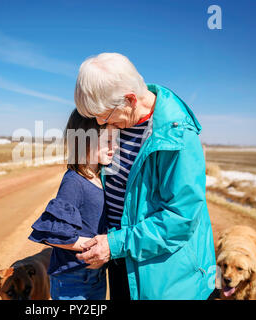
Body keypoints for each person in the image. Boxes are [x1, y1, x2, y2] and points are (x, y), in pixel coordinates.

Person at [74, 52, 216, 300]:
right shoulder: (118, 122)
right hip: (121, 260)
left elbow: (180, 219)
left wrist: (115, 244)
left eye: (104, 115)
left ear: (129, 99)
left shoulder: (178, 136)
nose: (99, 122)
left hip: (164, 274)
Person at [28, 109, 117, 300]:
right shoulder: (74, 182)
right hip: (72, 279)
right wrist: (95, 247)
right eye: (108, 141)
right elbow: (52, 235)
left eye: (115, 140)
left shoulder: (100, 177)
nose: (114, 147)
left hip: (95, 276)